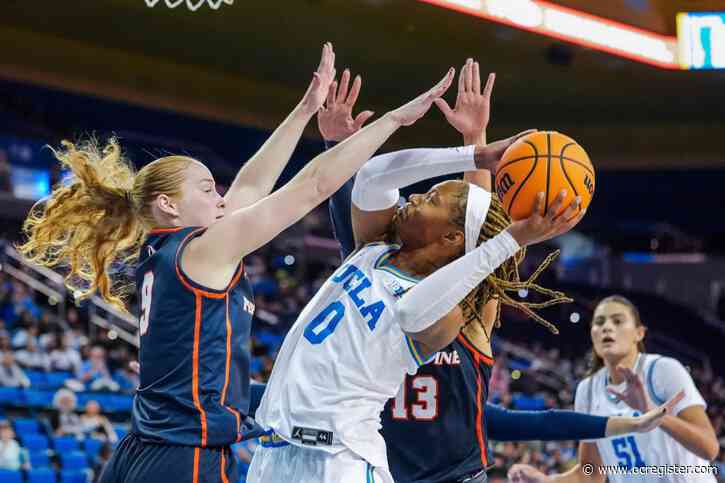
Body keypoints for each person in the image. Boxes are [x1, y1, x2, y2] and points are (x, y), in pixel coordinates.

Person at [16, 42, 463, 483]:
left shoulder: (169, 249)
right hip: (183, 456)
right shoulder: (204, 249)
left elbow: (251, 184)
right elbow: (312, 185)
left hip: (140, 449)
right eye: (208, 190)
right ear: (170, 205)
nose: (222, 198)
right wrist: (392, 121)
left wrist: (305, 109)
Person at [317, 58, 685, 483]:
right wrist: (338, 150)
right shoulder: (378, 279)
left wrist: (476, 140)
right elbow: (358, 232)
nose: (415, 200)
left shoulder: (468, 308)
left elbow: (475, 227)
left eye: (431, 198)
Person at [508, 295, 719, 482]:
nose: (607, 327)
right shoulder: (587, 391)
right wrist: (547, 480)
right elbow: (590, 473)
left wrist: (654, 413)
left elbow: (709, 448)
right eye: (599, 322)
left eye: (618, 321)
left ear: (639, 333)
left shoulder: (663, 370)